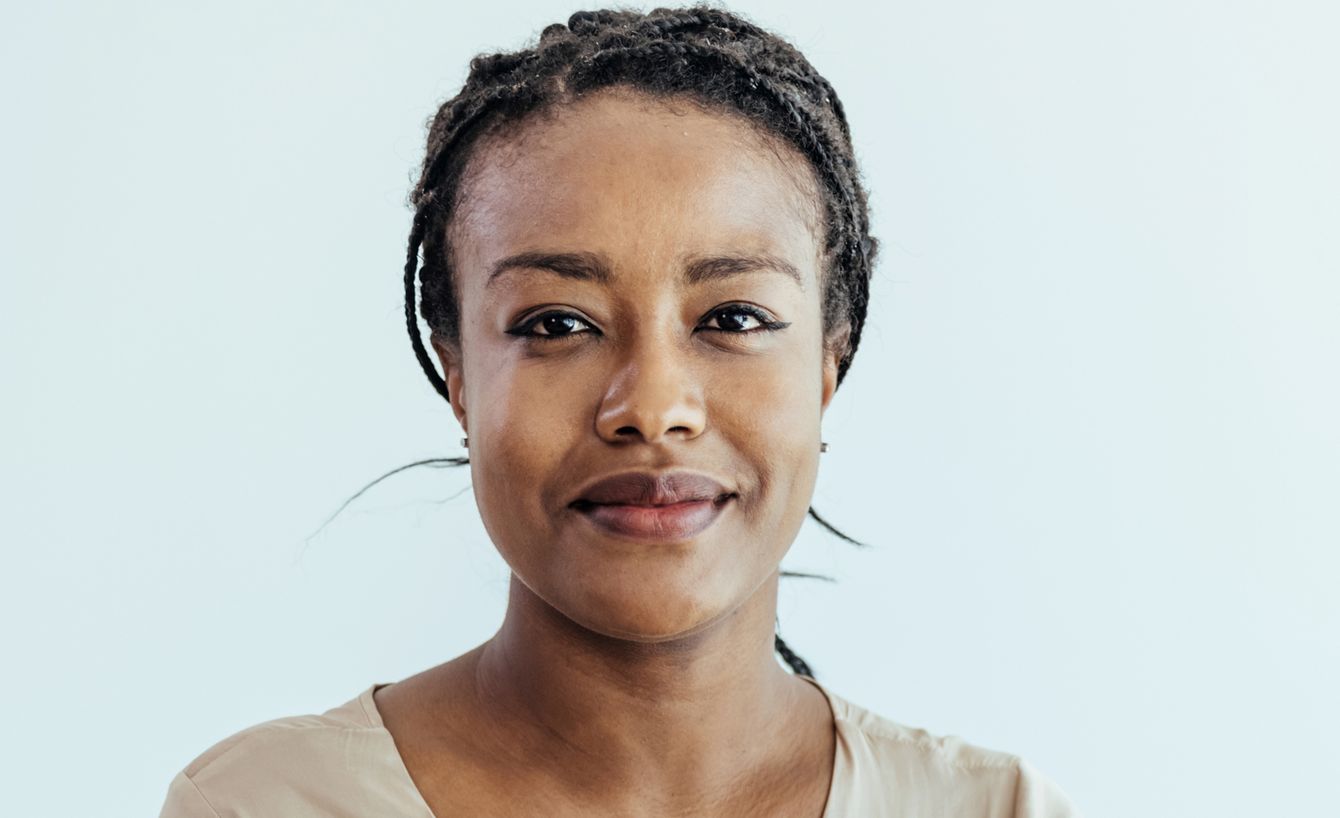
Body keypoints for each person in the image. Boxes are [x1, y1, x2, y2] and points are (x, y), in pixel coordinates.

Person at [158, 7, 1078, 816]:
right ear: (459, 377)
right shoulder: (262, 807)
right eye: (558, 323)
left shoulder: (995, 809)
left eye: (734, 318)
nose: (652, 407)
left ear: (828, 364)